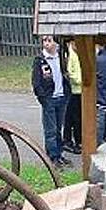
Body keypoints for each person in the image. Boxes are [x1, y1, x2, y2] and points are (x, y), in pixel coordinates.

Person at [32, 35, 71, 166]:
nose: (46, 43)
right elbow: (36, 82)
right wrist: (43, 98)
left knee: (58, 128)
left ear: (55, 43)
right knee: (51, 130)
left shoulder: (61, 58)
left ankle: (59, 154)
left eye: (49, 40)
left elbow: (65, 74)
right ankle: (52, 157)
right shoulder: (40, 60)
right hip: (49, 99)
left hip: (61, 97)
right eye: (44, 40)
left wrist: (67, 91)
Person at [61, 39, 83, 154]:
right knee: (74, 118)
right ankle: (75, 141)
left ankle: (69, 140)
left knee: (72, 118)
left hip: (78, 91)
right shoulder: (70, 54)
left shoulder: (77, 53)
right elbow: (70, 73)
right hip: (74, 91)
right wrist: (81, 81)